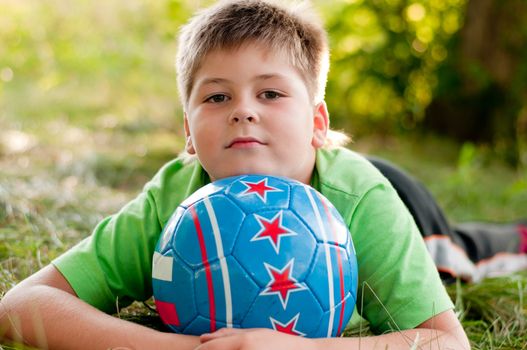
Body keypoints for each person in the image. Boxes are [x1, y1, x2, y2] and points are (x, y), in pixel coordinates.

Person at [1, 0, 491, 348]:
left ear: (317, 122)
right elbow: (20, 306)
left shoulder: (362, 201)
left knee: (459, 259)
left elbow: (445, 343)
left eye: (271, 94)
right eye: (217, 97)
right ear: (188, 135)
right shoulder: (173, 198)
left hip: (400, 202)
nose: (244, 112)